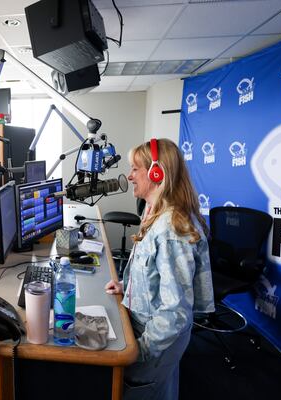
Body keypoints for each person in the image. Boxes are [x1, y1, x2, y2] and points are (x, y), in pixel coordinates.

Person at [104, 138, 215, 400]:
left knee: (142, 389)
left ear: (157, 173)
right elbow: (153, 273)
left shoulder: (170, 230)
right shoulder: (155, 210)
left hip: (155, 340)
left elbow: (175, 313)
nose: (129, 176)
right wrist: (127, 287)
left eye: (135, 169)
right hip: (152, 331)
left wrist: (137, 351)